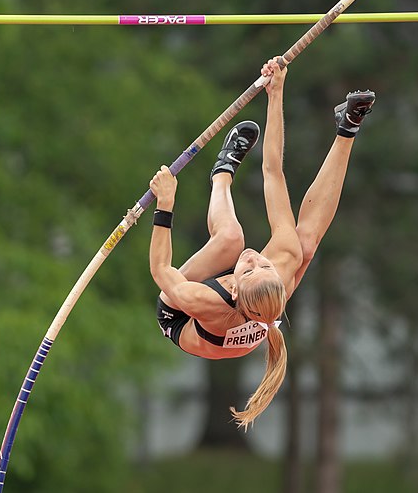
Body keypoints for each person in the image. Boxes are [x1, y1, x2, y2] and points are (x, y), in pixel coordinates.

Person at [148, 57, 375, 428]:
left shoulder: (199, 299)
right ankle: (348, 128)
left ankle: (221, 173)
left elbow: (161, 270)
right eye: (262, 264)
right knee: (305, 243)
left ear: (233, 285)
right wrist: (276, 92)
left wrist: (166, 204)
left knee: (231, 239)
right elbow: (273, 171)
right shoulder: (280, 268)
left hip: (181, 319)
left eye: (249, 267)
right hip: (254, 310)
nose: (255, 257)